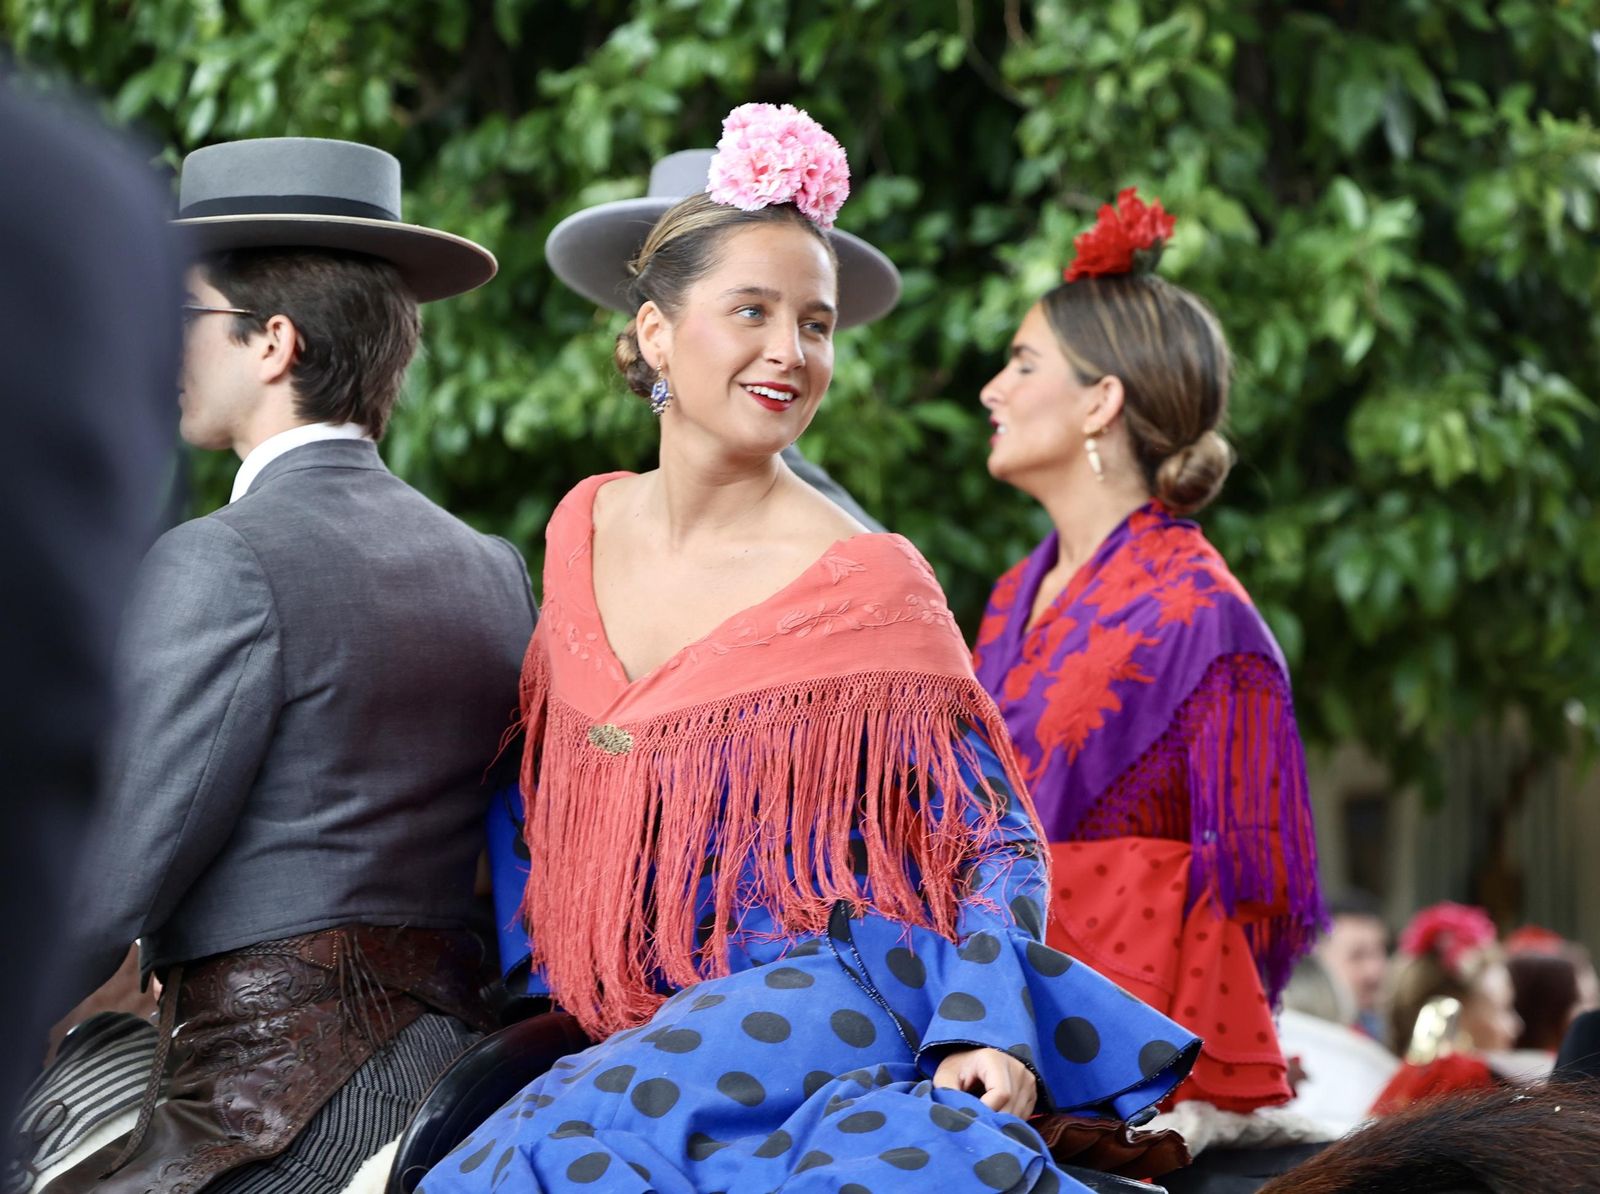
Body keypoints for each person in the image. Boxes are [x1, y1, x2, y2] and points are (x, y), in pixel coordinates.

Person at [422, 104, 1199, 1194]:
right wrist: (534, 983)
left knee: (538, 1161)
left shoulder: (870, 574)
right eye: (752, 310)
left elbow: (995, 839)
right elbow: (536, 804)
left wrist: (990, 1031)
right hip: (624, 1020)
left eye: (818, 323)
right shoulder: (580, 524)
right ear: (653, 333)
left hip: (818, 993)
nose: (790, 352)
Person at [39, 138, 537, 1194]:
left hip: (277, 1096)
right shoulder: (490, 566)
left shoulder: (224, 558)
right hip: (457, 1070)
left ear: (272, 341)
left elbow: (103, 886)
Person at [971, 189, 1324, 1116]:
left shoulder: (1205, 615)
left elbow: (1256, 893)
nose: (991, 389)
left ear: (1101, 401)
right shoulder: (1014, 591)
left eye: (1021, 362)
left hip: (1127, 1033)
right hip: (984, 991)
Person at [0, 72, 181, 1148]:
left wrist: (68, 990)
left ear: (270, 345)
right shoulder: (81, 206)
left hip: (244, 1068)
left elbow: (125, 847)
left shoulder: (227, 561)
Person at [1370, 902, 1523, 1115]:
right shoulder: (1463, 1080)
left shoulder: (1404, 1081)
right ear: (1456, 1014)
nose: (1516, 1026)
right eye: (1503, 1009)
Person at [1315, 891, 1391, 1043]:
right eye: (1357, 956)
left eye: (1379, 953)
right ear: (1318, 959)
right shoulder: (1305, 1037)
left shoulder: (1388, 1032)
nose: (1374, 971)